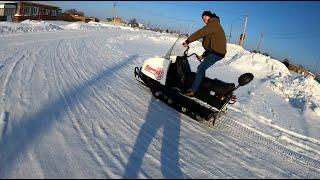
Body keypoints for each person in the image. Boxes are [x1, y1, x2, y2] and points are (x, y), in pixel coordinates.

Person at [182, 11, 227, 97]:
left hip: (217, 53)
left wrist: (188, 40)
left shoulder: (214, 24)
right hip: (214, 52)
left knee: (201, 68)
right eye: (202, 19)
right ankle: (201, 87)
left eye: (204, 17)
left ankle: (193, 91)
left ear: (209, 16)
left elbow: (200, 32)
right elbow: (211, 45)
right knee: (202, 68)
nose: (203, 20)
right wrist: (203, 55)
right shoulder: (212, 26)